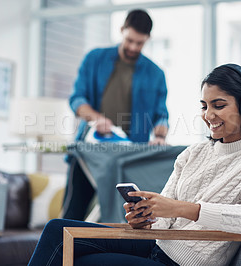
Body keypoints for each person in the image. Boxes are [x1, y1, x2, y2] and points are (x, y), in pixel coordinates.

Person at [29, 63, 241, 266]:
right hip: (157, 245)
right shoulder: (193, 153)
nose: (208, 116)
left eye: (218, 105)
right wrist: (145, 221)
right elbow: (164, 223)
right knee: (57, 230)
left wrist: (181, 208)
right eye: (204, 106)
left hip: (183, 261)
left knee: (79, 261)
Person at [63, 9, 169, 220]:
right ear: (122, 30)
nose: (133, 47)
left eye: (139, 43)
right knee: (72, 214)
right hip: (90, 153)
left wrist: (159, 137)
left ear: (147, 39)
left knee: (127, 218)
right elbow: (77, 99)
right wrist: (96, 118)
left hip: (127, 158)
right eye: (129, 40)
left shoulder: (155, 74)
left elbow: (161, 115)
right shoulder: (95, 59)